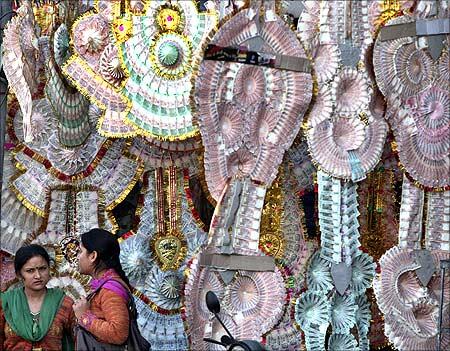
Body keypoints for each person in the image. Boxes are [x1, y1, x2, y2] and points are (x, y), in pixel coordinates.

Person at [0, 244, 75, 350]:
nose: (38, 276)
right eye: (30, 271)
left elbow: (77, 341)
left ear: (49, 269)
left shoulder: (64, 303)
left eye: (42, 269)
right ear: (19, 274)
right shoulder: (5, 303)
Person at [73, 228, 131, 347]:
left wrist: (84, 317)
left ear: (93, 256)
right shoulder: (103, 285)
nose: (77, 257)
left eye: (80, 251)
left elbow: (118, 334)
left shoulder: (109, 291)